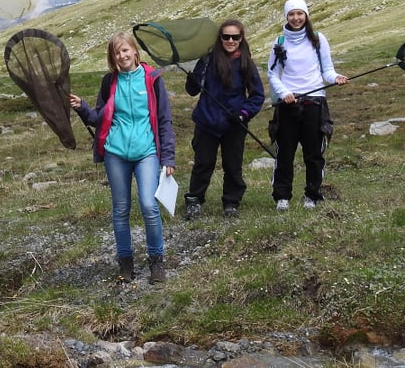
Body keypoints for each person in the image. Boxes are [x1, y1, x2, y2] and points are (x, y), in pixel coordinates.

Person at [69, 31, 176, 284]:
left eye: (125, 50)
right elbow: (98, 118)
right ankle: (125, 264)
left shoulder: (152, 79)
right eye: (117, 52)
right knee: (120, 210)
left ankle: (156, 262)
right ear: (112, 57)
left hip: (146, 152)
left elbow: (164, 120)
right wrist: (82, 107)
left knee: (149, 206)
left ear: (135, 51)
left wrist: (168, 158)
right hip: (115, 153)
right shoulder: (110, 83)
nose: (122, 55)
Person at [266, 0, 348, 211]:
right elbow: (272, 74)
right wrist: (284, 93)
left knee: (313, 153)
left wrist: (336, 78)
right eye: (291, 14)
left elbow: (327, 70)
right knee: (285, 152)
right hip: (288, 104)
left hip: (314, 102)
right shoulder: (279, 42)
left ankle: (312, 195)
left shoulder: (318, 39)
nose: (296, 18)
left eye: (299, 13)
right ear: (286, 16)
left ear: (306, 15)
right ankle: (282, 197)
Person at [183, 19, 265, 220]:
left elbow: (257, 95)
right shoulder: (207, 60)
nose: (230, 40)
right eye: (226, 36)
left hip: (234, 124)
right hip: (206, 122)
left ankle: (231, 202)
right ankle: (194, 200)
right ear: (219, 38)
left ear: (241, 39)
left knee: (233, 164)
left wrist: (243, 114)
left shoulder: (246, 63)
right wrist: (191, 79)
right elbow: (192, 91)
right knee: (203, 163)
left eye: (235, 37)